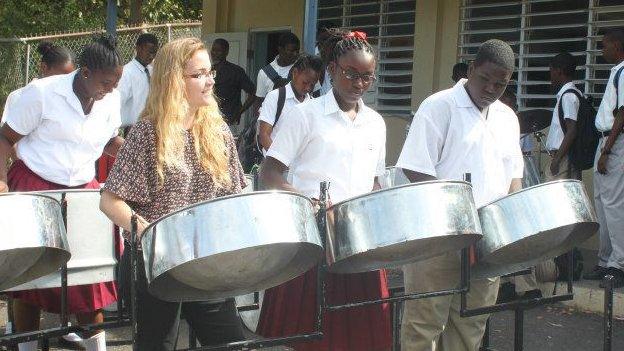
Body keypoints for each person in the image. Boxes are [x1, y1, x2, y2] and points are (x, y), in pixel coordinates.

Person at [99, 37, 247, 350]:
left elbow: (234, 199)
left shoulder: (219, 131)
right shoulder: (147, 132)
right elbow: (110, 201)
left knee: (231, 343)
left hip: (206, 261)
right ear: (173, 80)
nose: (209, 82)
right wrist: (151, 232)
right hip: (156, 263)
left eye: (211, 73)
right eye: (199, 75)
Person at [257, 30, 391, 351]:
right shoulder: (306, 116)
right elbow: (269, 173)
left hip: (357, 242)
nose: (359, 83)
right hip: (313, 241)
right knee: (309, 338)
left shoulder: (376, 123)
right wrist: (308, 201)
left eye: (367, 77)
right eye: (350, 74)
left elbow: (375, 181)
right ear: (331, 70)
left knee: (359, 337)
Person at [0, 34, 124, 351]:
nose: (110, 89)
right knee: (32, 279)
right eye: (105, 82)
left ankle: (94, 345)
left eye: (115, 83)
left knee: (89, 277)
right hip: (36, 187)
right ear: (84, 73)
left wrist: (135, 153)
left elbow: (108, 141)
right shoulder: (41, 94)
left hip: (82, 193)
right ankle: (26, 345)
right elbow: (4, 139)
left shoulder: (110, 99)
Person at [398, 39, 523, 351]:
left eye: (501, 83)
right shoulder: (439, 106)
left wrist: (507, 227)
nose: (492, 88)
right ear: (470, 70)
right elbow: (416, 168)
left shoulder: (507, 117)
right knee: (424, 326)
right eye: (485, 79)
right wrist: (458, 216)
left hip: (487, 238)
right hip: (437, 236)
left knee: (471, 324)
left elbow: (514, 178)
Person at [585, 29, 624, 287]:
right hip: (605, 140)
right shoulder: (616, 71)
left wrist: (607, 150)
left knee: (613, 205)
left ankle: (618, 264)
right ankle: (605, 260)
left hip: (614, 142)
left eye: (605, 45)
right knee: (602, 203)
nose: (602, 50)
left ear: (618, 45)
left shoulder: (623, 72)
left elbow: (622, 113)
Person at [257, 53, 322, 153]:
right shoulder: (275, 97)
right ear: (295, 73)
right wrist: (280, 162)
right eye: (305, 82)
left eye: (312, 85)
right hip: (276, 166)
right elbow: (264, 135)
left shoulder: (314, 105)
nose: (308, 88)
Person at [2, 41, 74, 123]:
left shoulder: (72, 97)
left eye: (70, 77)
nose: (67, 81)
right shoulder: (18, 97)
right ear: (44, 67)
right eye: (61, 77)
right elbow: (8, 133)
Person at [545, 52, 582, 180]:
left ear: (559, 71)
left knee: (554, 197)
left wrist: (557, 159)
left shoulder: (568, 96)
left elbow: (571, 131)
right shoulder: (568, 94)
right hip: (562, 156)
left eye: (551, 71)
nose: (551, 76)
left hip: (563, 157)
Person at [211, 38, 256, 126]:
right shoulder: (207, 70)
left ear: (226, 52)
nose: (214, 53)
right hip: (209, 120)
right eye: (213, 50)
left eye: (218, 50)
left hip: (229, 121)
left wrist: (238, 113)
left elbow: (253, 93)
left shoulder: (236, 71)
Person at [118, 32, 159, 129]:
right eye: (148, 52)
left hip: (150, 125)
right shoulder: (126, 73)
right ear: (138, 49)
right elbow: (117, 102)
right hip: (132, 128)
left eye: (154, 53)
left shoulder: (151, 71)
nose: (151, 56)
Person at [253, 32, 300, 114]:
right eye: (291, 51)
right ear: (280, 49)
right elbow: (259, 102)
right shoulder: (264, 73)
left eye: (297, 51)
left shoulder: (303, 68)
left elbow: (315, 95)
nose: (295, 54)